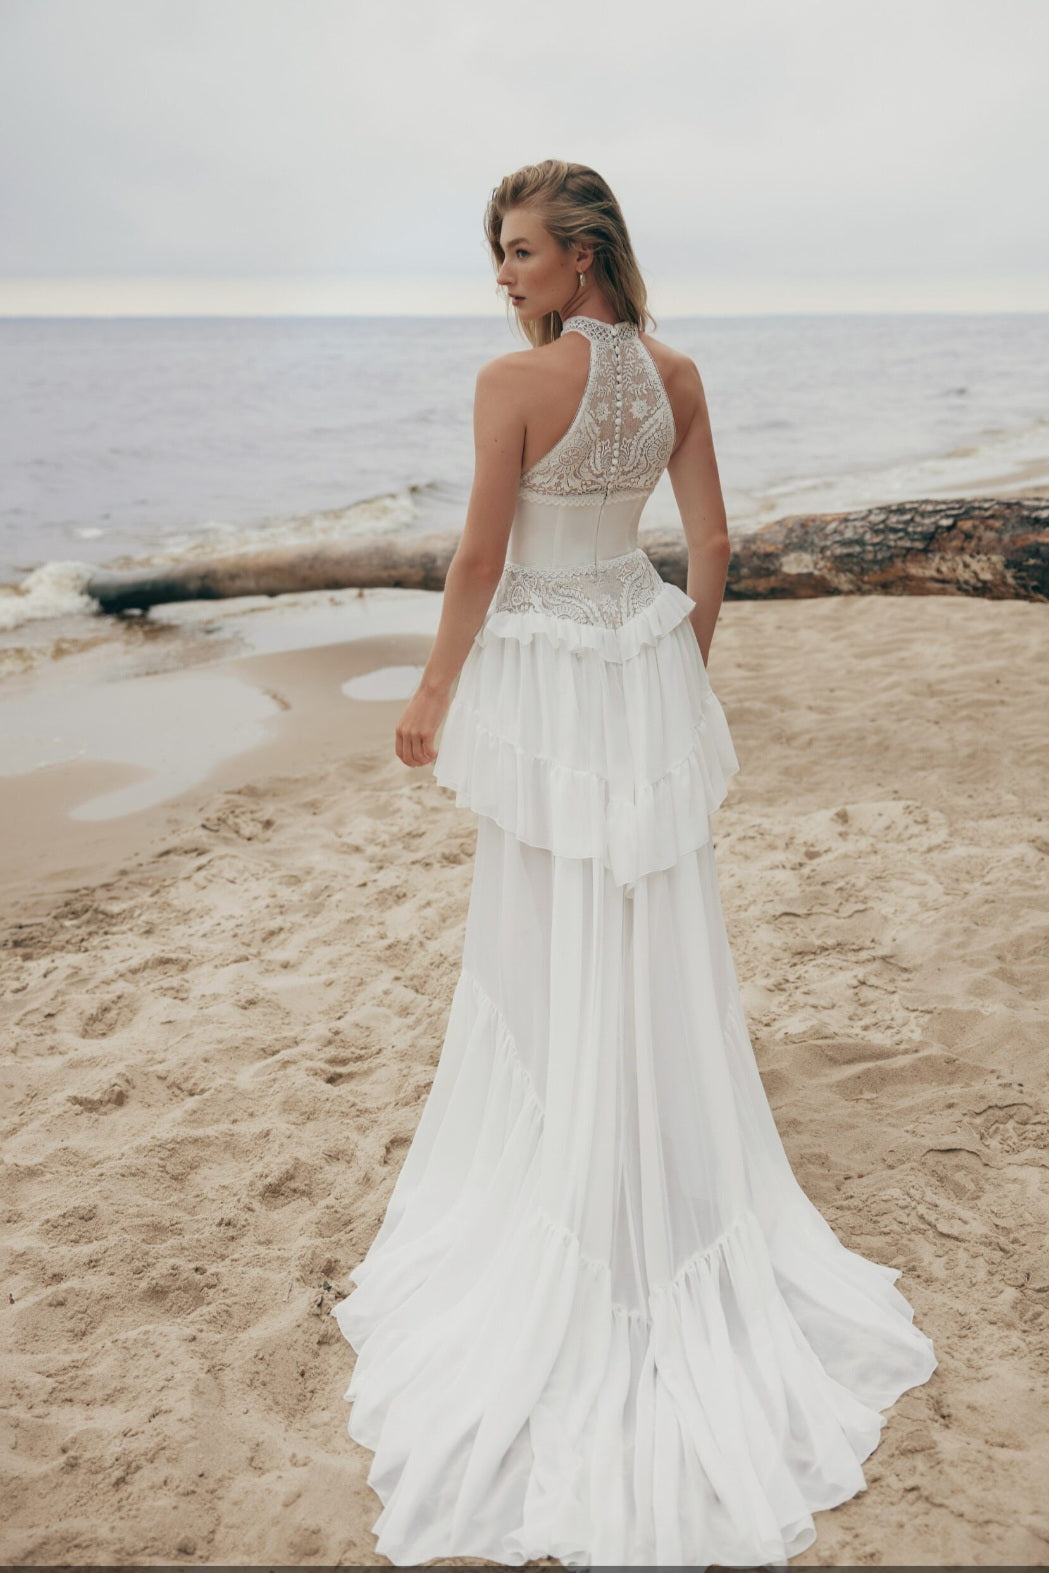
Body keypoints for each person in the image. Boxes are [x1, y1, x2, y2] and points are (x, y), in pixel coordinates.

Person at [331, 158, 936, 1569]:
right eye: (497, 253)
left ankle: (573, 1172)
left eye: (524, 252)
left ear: (585, 255)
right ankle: (632, 1159)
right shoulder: (675, 371)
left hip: (545, 680)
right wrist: (681, 663)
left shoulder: (509, 385)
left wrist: (429, 694)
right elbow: (710, 544)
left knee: (544, 919)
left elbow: (480, 557)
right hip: (636, 670)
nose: (504, 275)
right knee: (644, 921)